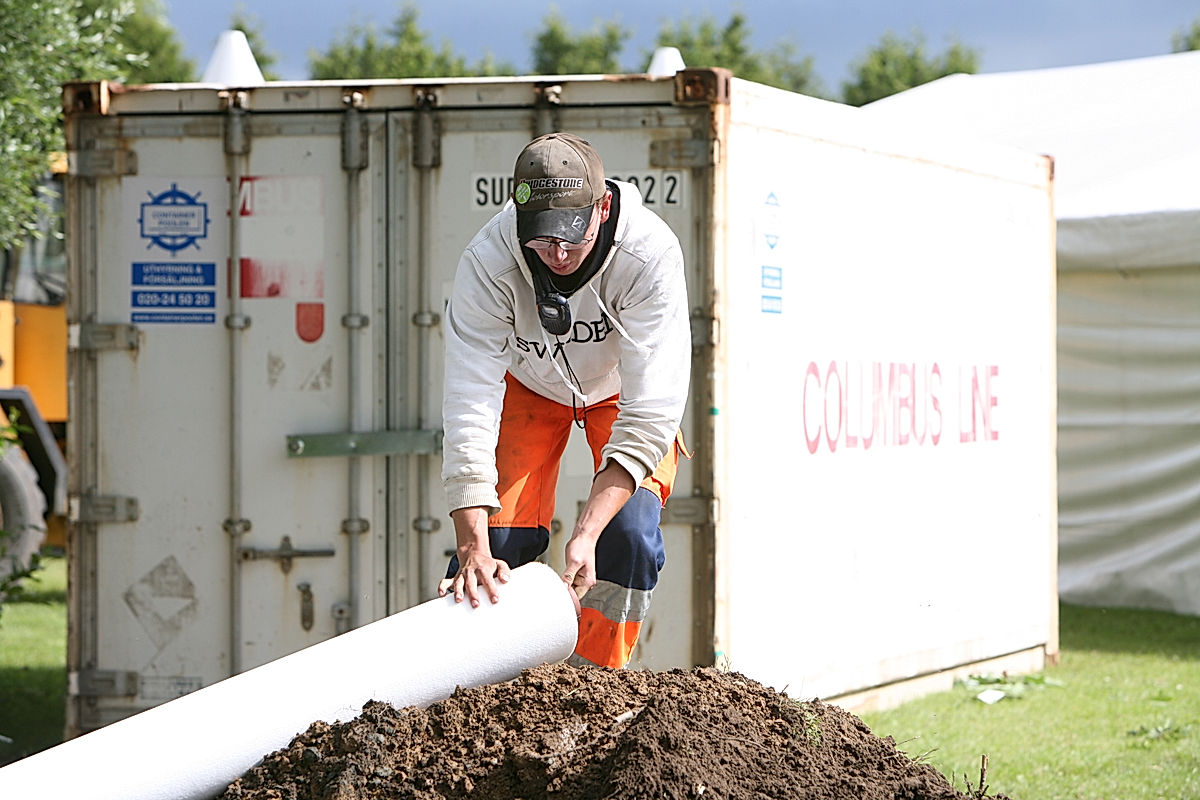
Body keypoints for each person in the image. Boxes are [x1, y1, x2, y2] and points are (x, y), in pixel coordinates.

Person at [438, 132, 691, 668]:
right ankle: (491, 689)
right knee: (497, 542)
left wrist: (585, 533)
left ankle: (593, 681)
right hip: (530, 386)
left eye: (571, 239)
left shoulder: (649, 254)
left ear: (601, 208)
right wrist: (470, 544)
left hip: (622, 395)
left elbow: (652, 409)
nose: (556, 254)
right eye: (542, 239)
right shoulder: (488, 261)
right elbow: (468, 400)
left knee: (627, 536)